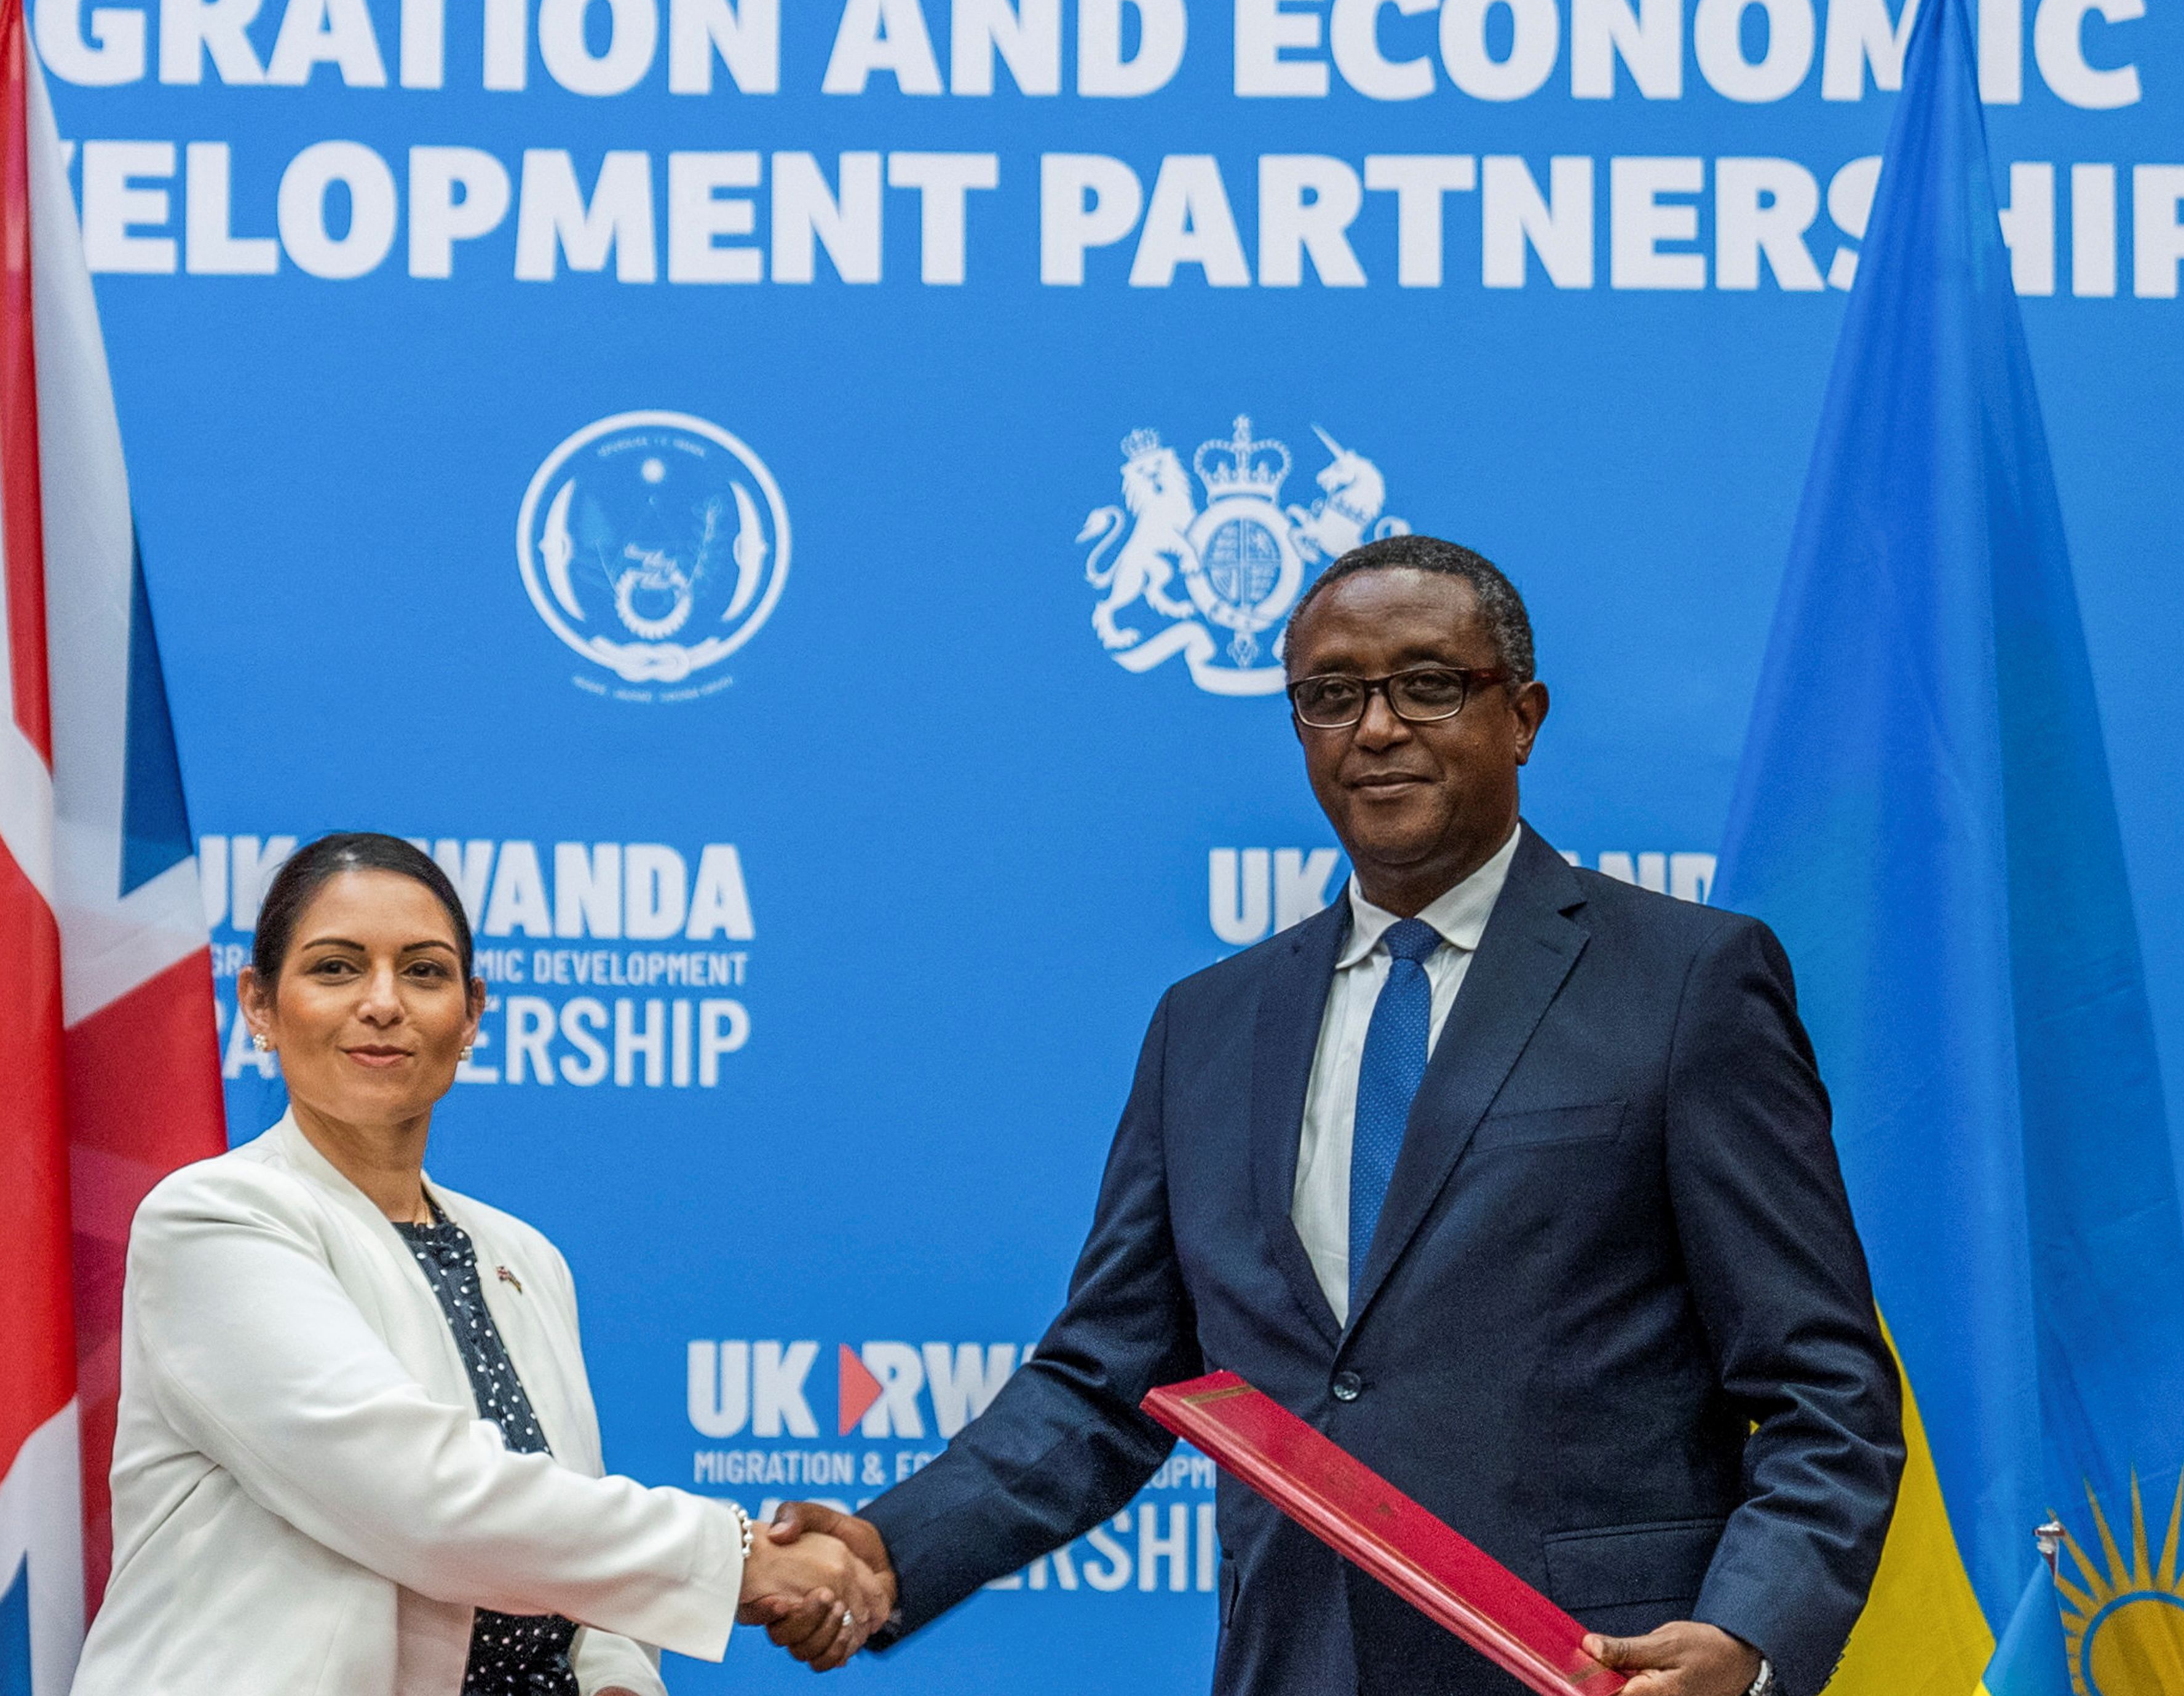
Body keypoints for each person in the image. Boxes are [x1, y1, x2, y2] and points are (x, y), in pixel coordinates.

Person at [759, 536, 1901, 1696]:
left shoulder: (1687, 982)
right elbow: (1105, 1378)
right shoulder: (1207, 1025)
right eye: (1332, 695)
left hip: (1591, 1673)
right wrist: (891, 1552)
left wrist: (1749, 1637)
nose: (1378, 728)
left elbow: (1824, 1389)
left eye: (1429, 684)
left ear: (1523, 718)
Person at [71, 833, 887, 1696]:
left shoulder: (524, 1256)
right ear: (260, 1006)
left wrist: (616, 1679)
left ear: (470, 1015)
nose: (382, 1003)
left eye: (423, 972)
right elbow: (419, 1499)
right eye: (336, 968)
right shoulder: (215, 1218)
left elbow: (568, 1539)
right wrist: (742, 1555)